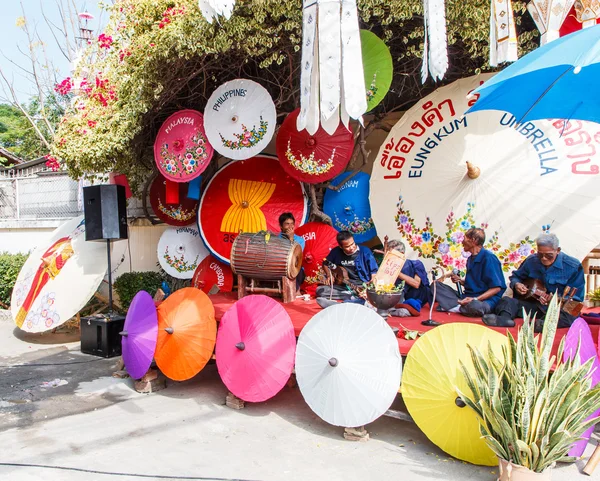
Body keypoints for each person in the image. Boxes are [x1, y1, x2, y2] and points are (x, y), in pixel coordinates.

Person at [483, 233, 584, 330]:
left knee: (571, 315)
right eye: (540, 255)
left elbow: (576, 299)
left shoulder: (573, 266)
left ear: (557, 250)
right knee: (507, 301)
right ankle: (504, 319)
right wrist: (517, 284)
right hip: (535, 305)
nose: (544, 259)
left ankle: (541, 324)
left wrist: (554, 300)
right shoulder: (532, 260)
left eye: (548, 255)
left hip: (558, 309)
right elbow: (515, 277)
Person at [432, 228, 506, 317]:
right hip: (466, 297)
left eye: (465, 238)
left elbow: (497, 288)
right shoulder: (470, 259)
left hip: (484, 301)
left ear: (474, 240)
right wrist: (460, 281)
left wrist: (475, 299)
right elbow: (474, 284)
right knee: (435, 286)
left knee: (475, 306)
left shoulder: (489, 258)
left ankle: (455, 307)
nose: (462, 242)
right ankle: (459, 306)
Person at [315, 230, 378, 309]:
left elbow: (374, 273)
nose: (351, 247)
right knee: (320, 290)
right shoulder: (336, 252)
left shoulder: (365, 251)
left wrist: (369, 288)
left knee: (369, 294)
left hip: (361, 285)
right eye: (347, 246)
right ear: (341, 247)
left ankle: (347, 301)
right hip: (344, 285)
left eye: (352, 244)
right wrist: (329, 275)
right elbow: (325, 263)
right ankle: (350, 296)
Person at [384, 239, 430, 317]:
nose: (389, 256)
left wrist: (397, 272)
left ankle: (396, 306)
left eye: (391, 254)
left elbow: (416, 284)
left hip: (416, 296)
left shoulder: (416, 264)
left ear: (401, 253)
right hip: (399, 296)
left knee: (405, 265)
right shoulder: (390, 264)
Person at [278, 213, 305, 291]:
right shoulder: (276, 239)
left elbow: (296, 257)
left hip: (295, 268)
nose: (290, 227)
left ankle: (296, 290)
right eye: (287, 224)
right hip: (280, 267)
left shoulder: (300, 240)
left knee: (297, 270)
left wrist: (291, 239)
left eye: (292, 224)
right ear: (281, 226)